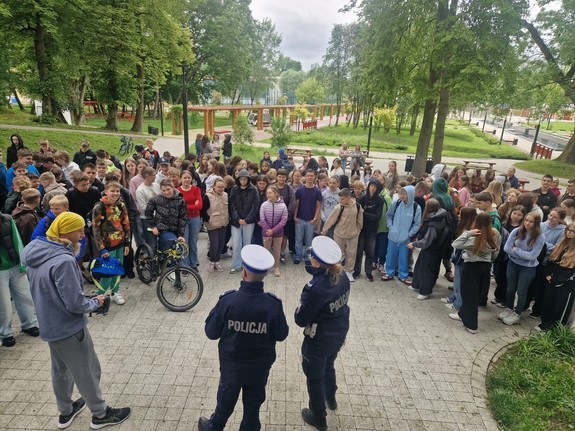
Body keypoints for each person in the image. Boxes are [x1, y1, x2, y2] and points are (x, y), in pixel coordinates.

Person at [21, 212, 131, 429]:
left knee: (60, 370)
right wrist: (96, 302)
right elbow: (74, 303)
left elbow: (51, 292)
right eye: (79, 230)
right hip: (69, 327)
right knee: (87, 370)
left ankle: (66, 410)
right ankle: (100, 414)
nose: (82, 234)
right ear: (65, 232)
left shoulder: (36, 252)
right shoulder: (64, 260)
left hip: (49, 324)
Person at [199, 245, 289, 431]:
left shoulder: (228, 301)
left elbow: (211, 332)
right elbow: (281, 335)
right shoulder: (273, 304)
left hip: (232, 367)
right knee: (253, 407)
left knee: (225, 402)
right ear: (265, 275)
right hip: (259, 367)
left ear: (244, 272)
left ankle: (214, 427)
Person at [295, 236, 350, 431]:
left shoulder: (316, 288)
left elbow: (300, 319)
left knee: (314, 376)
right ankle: (331, 397)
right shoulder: (343, 276)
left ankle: (318, 416)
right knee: (329, 364)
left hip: (319, 338)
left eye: (312, 258)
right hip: (339, 331)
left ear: (317, 263)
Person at [449, 212, 501, 333]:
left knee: (469, 295)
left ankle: (471, 324)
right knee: (475, 294)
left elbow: (455, 244)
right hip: (485, 266)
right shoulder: (494, 234)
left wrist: (467, 233)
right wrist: (489, 261)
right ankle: (462, 313)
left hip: (471, 266)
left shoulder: (473, 236)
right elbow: (496, 251)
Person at [0, 213, 39, 348]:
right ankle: (5, 333)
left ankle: (30, 324)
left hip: (15, 265)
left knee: (25, 296)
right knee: (4, 304)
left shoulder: (7, 219)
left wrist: (23, 264)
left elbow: (17, 241)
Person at [499, 213, 545, 325]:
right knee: (510, 288)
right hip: (513, 263)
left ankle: (517, 312)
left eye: (531, 221)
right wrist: (520, 253)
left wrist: (515, 250)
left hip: (528, 267)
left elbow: (532, 256)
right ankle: (509, 308)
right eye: (526, 220)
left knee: (521, 290)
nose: (527, 223)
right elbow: (506, 248)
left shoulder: (540, 237)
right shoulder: (516, 231)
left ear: (536, 223)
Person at [91, 181, 131, 304]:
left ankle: (115, 292)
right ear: (105, 192)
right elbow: (96, 229)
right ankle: (100, 295)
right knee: (107, 272)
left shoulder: (121, 205)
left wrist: (127, 243)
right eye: (112, 191)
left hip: (120, 243)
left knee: (117, 270)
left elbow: (126, 224)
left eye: (117, 191)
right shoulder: (99, 207)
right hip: (107, 246)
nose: (115, 193)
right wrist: (101, 248)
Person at [407, 198, 451, 300]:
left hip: (431, 249)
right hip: (434, 249)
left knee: (427, 271)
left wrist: (414, 244)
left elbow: (427, 240)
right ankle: (416, 284)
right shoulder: (441, 217)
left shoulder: (433, 223)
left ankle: (425, 291)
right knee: (420, 267)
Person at [536, 222, 575, 331]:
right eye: (568, 230)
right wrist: (548, 274)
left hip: (566, 284)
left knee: (559, 307)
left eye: (572, 231)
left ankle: (554, 330)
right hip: (552, 279)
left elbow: (570, 271)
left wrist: (556, 280)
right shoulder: (562, 244)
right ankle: (544, 324)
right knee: (548, 302)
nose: (569, 233)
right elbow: (551, 260)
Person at [321, 188, 363, 282]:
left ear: (348, 197)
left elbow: (360, 220)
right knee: (337, 253)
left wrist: (358, 231)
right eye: (340, 199)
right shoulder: (339, 207)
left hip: (352, 235)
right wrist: (324, 231)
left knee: (351, 254)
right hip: (339, 234)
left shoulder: (357, 206)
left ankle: (349, 271)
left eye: (342, 199)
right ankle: (337, 271)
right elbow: (330, 220)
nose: (341, 201)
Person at [382, 185, 422, 284]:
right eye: (402, 193)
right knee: (390, 256)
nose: (403, 196)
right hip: (393, 236)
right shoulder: (396, 203)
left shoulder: (416, 207)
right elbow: (388, 215)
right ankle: (389, 273)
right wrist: (391, 227)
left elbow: (417, 224)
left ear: (411, 195)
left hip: (405, 239)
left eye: (405, 194)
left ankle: (403, 275)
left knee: (404, 258)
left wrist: (409, 234)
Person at [353, 179, 384, 282]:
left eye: (375, 187)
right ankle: (357, 270)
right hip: (361, 229)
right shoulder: (361, 198)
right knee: (359, 251)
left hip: (372, 230)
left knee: (370, 252)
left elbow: (377, 217)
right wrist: (365, 214)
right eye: (371, 186)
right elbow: (357, 214)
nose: (373, 188)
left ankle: (368, 272)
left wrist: (364, 213)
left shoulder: (380, 200)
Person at [229, 169, 259, 273]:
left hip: (248, 221)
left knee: (247, 243)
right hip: (236, 221)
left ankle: (247, 264)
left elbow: (255, 206)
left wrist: (247, 219)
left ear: (248, 179)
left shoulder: (253, 190)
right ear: (238, 179)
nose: (243, 181)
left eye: (245, 179)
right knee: (236, 243)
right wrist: (237, 218)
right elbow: (232, 205)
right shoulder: (234, 189)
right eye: (241, 179)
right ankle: (236, 264)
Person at [145, 180, 186, 251]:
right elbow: (148, 213)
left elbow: (183, 218)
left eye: (168, 189)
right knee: (172, 245)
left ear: (173, 188)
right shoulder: (155, 199)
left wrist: (181, 235)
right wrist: (153, 226)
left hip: (176, 230)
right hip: (163, 230)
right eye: (163, 190)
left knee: (180, 249)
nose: (166, 192)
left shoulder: (180, 201)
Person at [294, 169, 322, 265]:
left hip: (311, 220)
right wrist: (295, 217)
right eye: (308, 175)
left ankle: (307, 257)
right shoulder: (299, 190)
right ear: (305, 177)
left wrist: (315, 218)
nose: (310, 177)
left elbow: (318, 206)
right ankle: (298, 256)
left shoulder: (317, 191)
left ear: (314, 177)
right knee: (298, 239)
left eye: (311, 176)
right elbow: (297, 204)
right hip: (300, 219)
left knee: (309, 240)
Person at [201, 178, 229, 272]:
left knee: (221, 243)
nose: (221, 189)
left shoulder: (226, 195)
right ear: (214, 186)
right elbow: (203, 210)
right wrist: (208, 219)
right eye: (219, 187)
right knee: (214, 244)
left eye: (222, 187)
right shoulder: (208, 196)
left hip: (223, 223)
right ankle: (212, 261)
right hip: (212, 224)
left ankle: (217, 261)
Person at [259, 186, 288, 277]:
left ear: (276, 193)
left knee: (276, 250)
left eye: (270, 193)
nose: (268, 195)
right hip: (266, 232)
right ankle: (265, 267)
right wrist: (268, 230)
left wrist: (273, 230)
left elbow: (283, 220)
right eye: (267, 193)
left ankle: (276, 267)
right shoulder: (264, 205)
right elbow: (262, 219)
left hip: (278, 232)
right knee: (266, 250)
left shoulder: (283, 206)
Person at [177, 170, 202, 268]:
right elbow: (177, 207)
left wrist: (185, 207)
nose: (187, 180)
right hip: (182, 219)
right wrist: (192, 206)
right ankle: (185, 265)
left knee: (193, 242)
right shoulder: (177, 191)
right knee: (184, 242)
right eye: (185, 178)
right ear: (181, 179)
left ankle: (193, 263)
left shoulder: (196, 190)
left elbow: (199, 206)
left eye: (189, 178)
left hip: (195, 218)